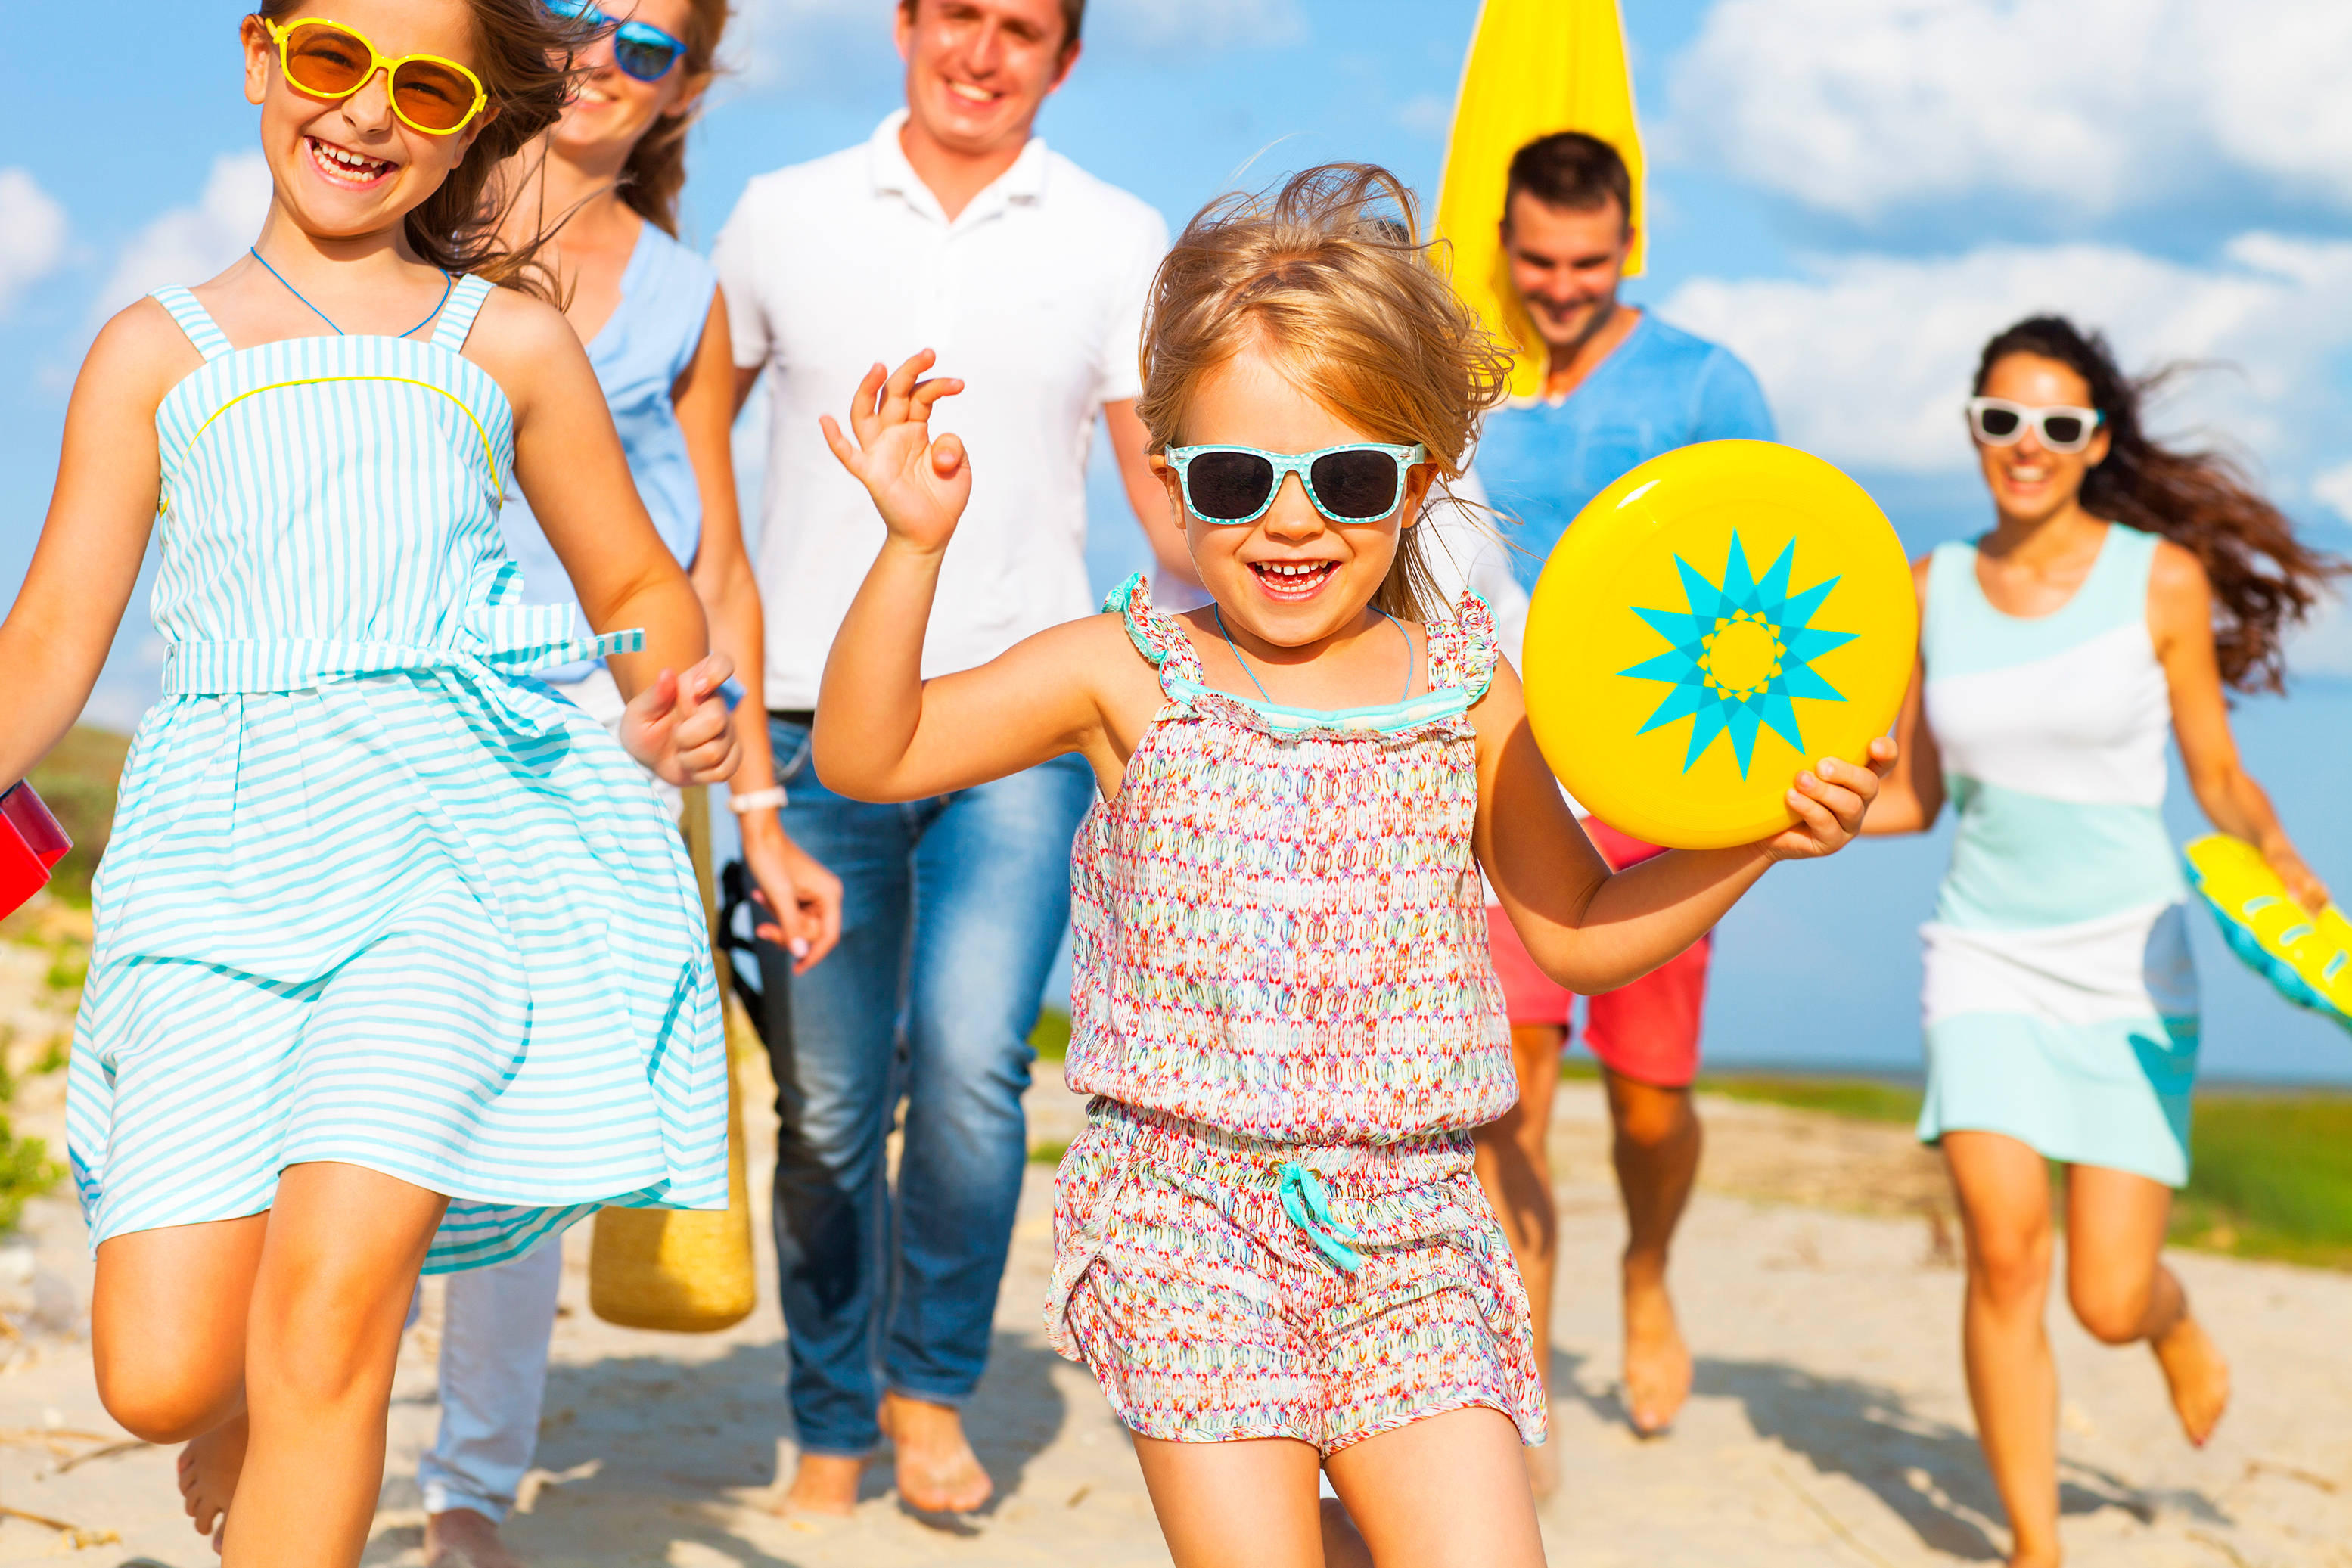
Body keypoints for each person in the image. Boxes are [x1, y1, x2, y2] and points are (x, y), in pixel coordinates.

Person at [808, 162, 1892, 1568]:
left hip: (1417, 1223)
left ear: (1420, 480)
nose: (1291, 519)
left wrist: (1758, 832)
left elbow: (1574, 929)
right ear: (1171, 477)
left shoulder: (1467, 689)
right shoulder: (1127, 671)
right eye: (1237, 476)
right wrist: (910, 548)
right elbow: (868, 753)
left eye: (1350, 476)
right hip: (1182, 1217)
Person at [3, 2, 741, 1560]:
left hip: (450, 856)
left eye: (427, 84)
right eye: (335, 59)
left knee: (333, 1317)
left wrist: (667, 697)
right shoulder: (154, 348)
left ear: (476, 120)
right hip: (212, 865)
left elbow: (639, 584)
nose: (368, 112)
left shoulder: (510, 340)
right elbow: (53, 638)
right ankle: (245, 1399)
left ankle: (308, 1382)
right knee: (157, 1369)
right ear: (265, 55)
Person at [710, 0, 1176, 1516]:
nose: (983, 52)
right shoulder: (781, 215)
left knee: (975, 1066)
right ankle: (828, 1412)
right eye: (958, 16)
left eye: (1022, 29)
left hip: (1019, 725)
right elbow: (689, 437)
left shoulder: (1119, 236)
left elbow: (1164, 497)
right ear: (906, 25)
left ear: (1066, 58)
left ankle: (926, 1392)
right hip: (804, 717)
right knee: (832, 1102)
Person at [405, 5, 844, 1565]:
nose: (601, 56)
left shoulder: (681, 295)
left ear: (686, 88)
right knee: (364, 1084)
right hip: (406, 705)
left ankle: (466, 1485)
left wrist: (765, 816)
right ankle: (295, 1394)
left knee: (523, 1118)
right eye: (577, 17)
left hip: (608, 732)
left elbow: (714, 553)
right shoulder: (410, 205)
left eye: (647, 44)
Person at [1864, 316, 2339, 1568]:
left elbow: (2218, 773)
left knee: (2105, 1294)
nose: (2027, 446)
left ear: (2095, 444)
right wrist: (1755, 811)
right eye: (2002, 421)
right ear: (1974, 429)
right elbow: (1911, 794)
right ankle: (2034, 1545)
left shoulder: (2158, 579)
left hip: (2128, 960)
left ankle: (2171, 1322)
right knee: (2004, 1248)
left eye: (2057, 426)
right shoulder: (1928, 587)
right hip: (1980, 955)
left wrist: (2283, 860)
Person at [1463, 129, 1777, 1454]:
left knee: (1648, 1100)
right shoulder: (1469, 381)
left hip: (1667, 768)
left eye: (1587, 263)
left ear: (1628, 245)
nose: (1559, 286)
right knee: (1509, 1081)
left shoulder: (1705, 381)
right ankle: (1516, 1379)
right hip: (1507, 760)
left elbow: (1773, 577)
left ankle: (1645, 1268)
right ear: (1507, 244)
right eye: (1536, 260)